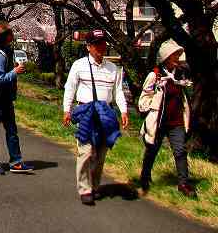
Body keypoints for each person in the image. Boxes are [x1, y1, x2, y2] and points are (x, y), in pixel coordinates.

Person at [63, 29, 129, 205]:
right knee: (86, 152)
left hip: (105, 115)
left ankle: (95, 186)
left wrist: (123, 111)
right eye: (97, 44)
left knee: (100, 155)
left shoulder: (113, 68)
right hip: (86, 113)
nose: (101, 47)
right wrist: (66, 110)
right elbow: (70, 87)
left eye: (103, 43)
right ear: (89, 47)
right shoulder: (79, 65)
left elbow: (118, 92)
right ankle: (84, 189)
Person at [138, 40, 195, 197]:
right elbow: (143, 99)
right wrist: (152, 108)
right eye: (174, 55)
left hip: (176, 121)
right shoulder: (155, 75)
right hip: (159, 121)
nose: (177, 57)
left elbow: (184, 95)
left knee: (180, 151)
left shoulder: (180, 74)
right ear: (166, 57)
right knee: (152, 149)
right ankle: (145, 176)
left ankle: (183, 184)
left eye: (178, 55)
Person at [0, 18, 33, 175]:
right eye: (11, 33)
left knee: (12, 131)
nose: (13, 36)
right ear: (5, 37)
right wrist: (15, 72)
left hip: (4, 99)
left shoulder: (2, 50)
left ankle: (16, 162)